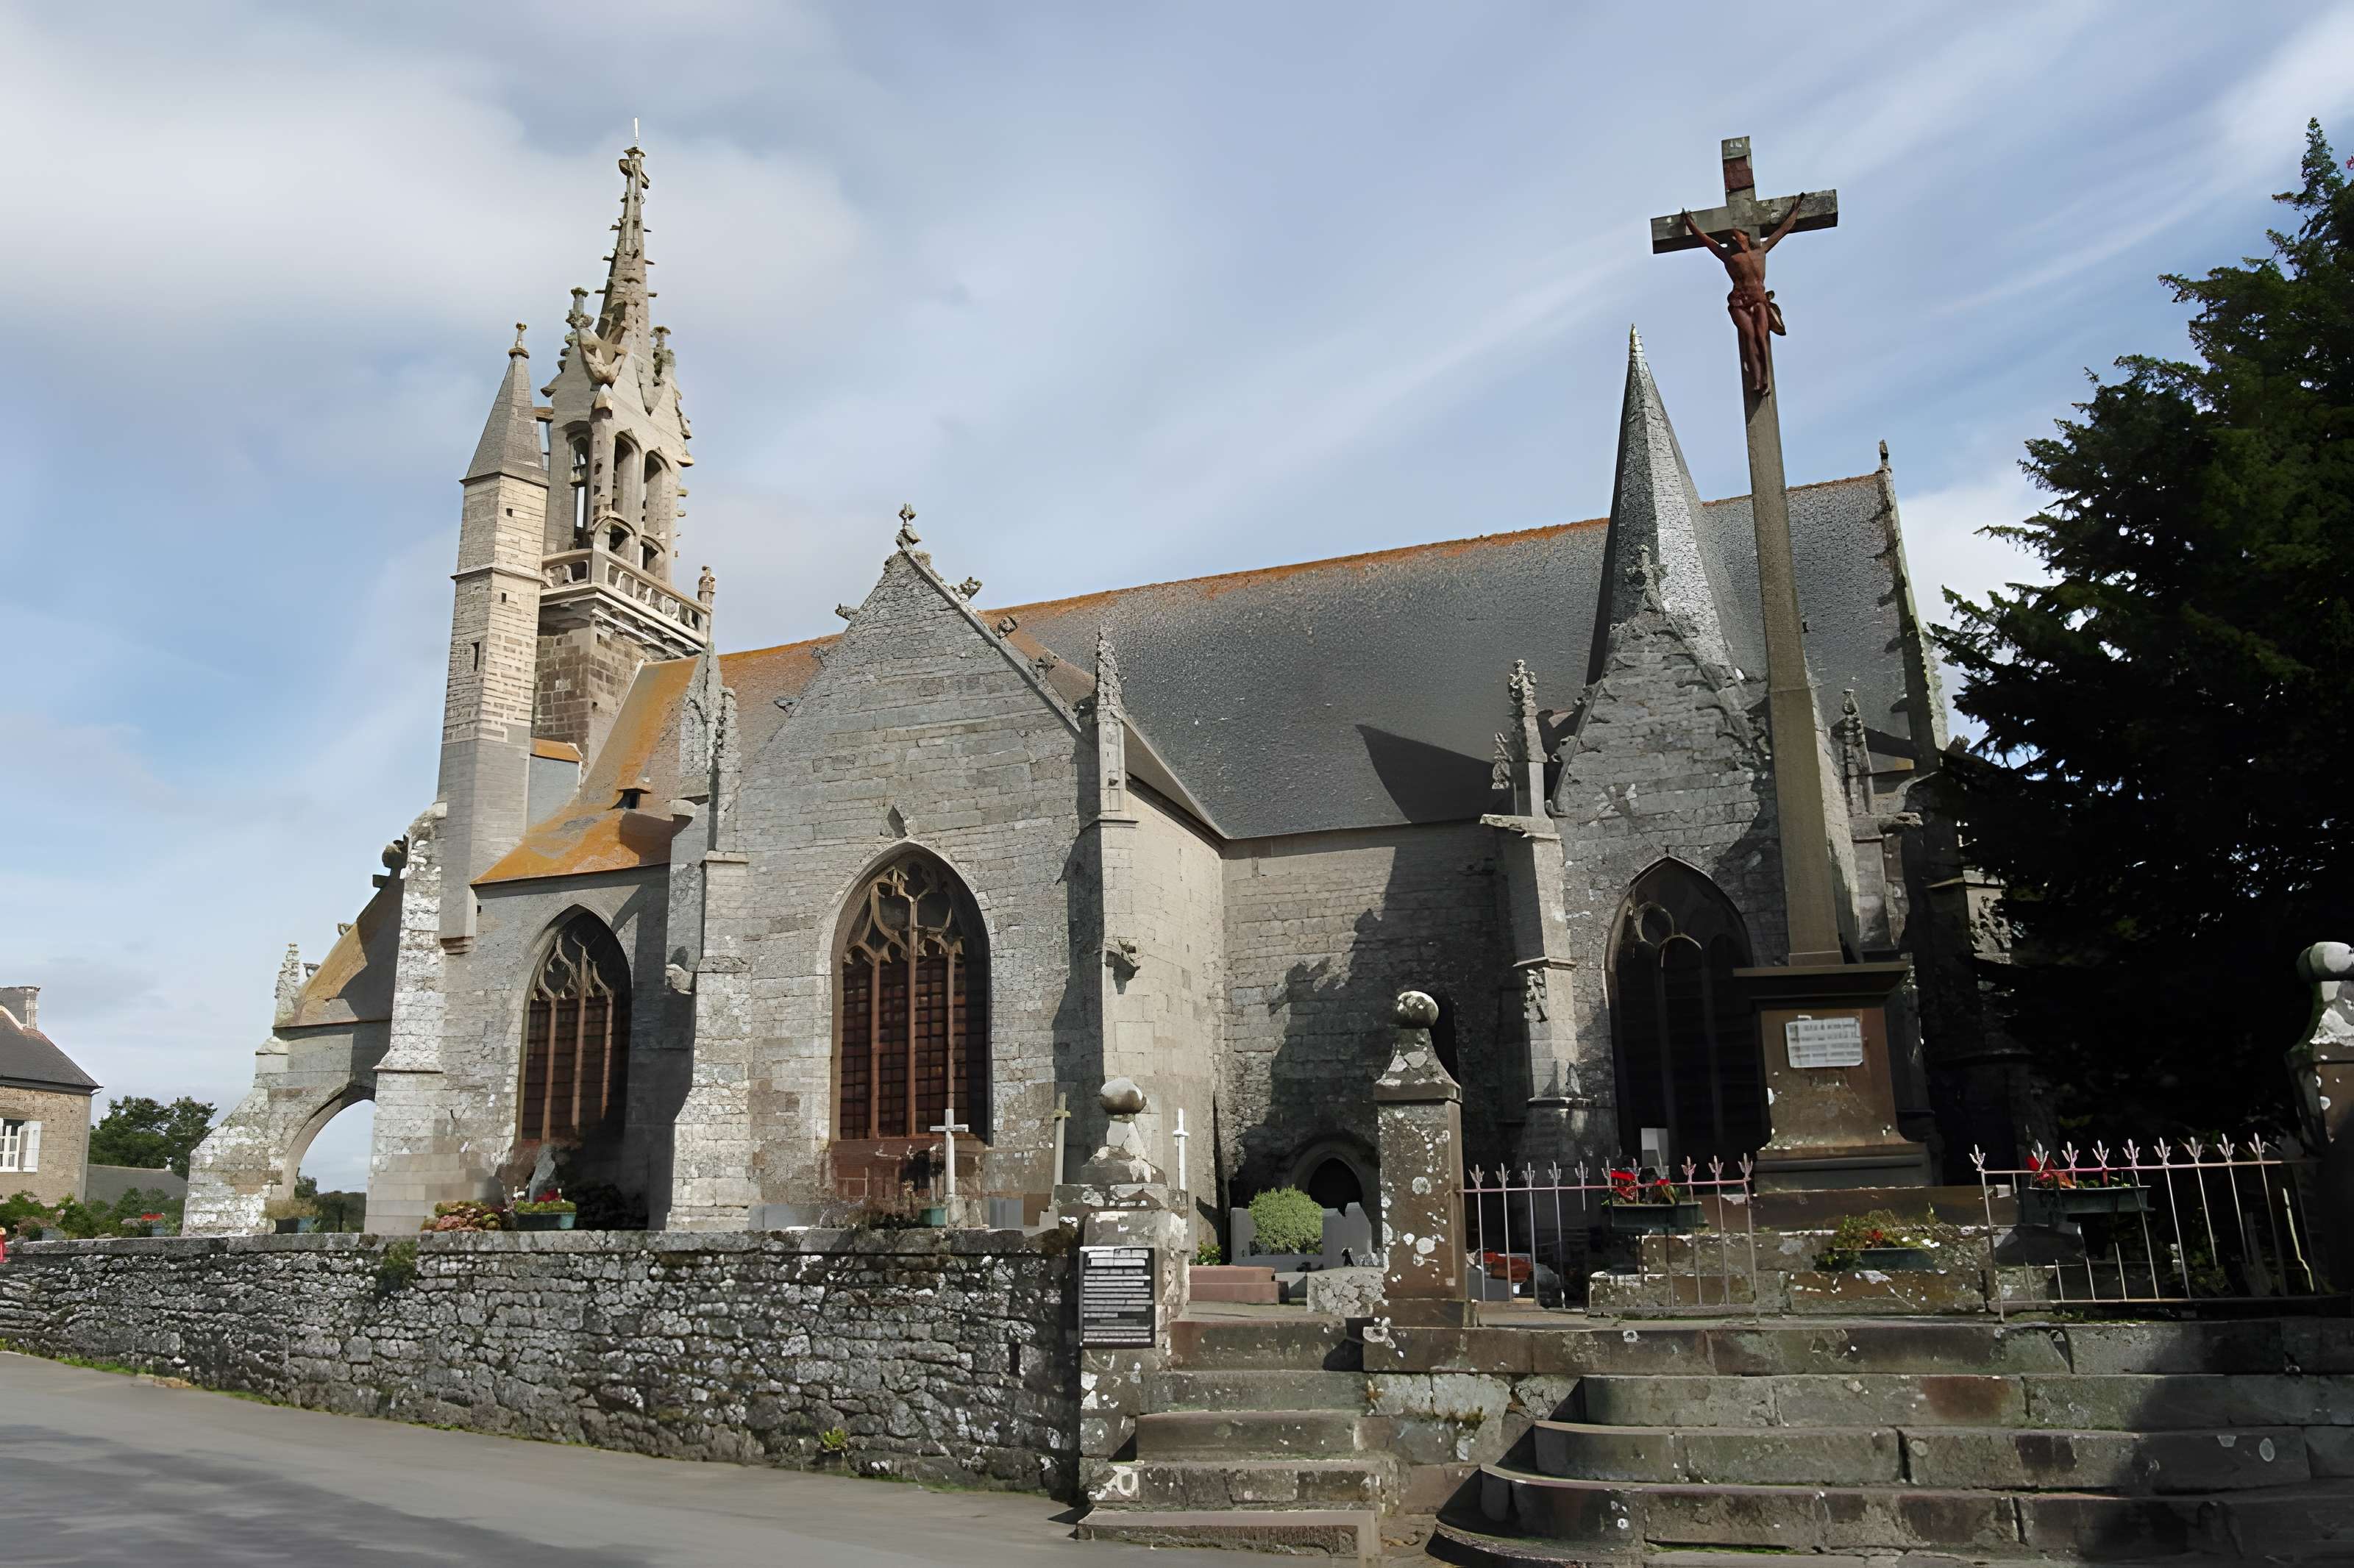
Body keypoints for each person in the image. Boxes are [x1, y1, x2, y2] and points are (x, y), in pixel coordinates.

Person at [1681, 194, 1809, 396]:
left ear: (1746, 238)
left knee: (1761, 338)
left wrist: (1796, 209)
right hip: (1740, 302)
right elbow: (1708, 242)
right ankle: (1757, 380)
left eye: (1737, 235)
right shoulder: (1730, 258)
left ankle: (1765, 380)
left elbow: (1783, 230)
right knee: (1750, 336)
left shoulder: (1761, 252)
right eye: (1733, 237)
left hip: (1759, 302)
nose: (1734, 238)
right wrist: (1690, 223)